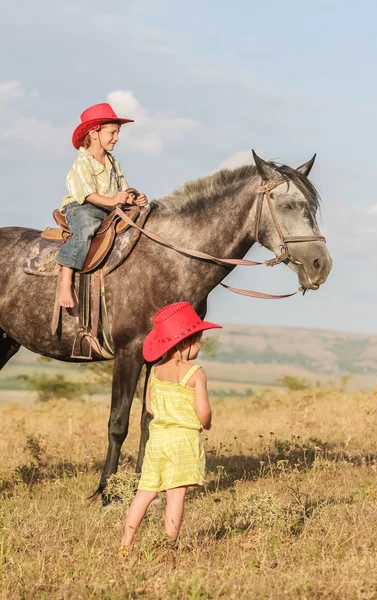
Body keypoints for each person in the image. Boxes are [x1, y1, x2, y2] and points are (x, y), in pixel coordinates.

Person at [121, 302, 222, 551]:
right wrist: (205, 424)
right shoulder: (195, 373)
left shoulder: (154, 372)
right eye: (199, 340)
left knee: (144, 493)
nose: (200, 345)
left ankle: (126, 543)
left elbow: (150, 408)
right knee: (175, 496)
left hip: (156, 442)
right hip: (183, 442)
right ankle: (168, 546)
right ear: (185, 342)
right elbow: (204, 411)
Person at [55, 103, 148, 308]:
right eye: (112, 132)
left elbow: (121, 190)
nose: (116, 137)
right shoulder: (83, 163)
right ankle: (65, 280)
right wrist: (115, 200)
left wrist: (133, 199)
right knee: (85, 231)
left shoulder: (114, 163)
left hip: (110, 209)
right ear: (94, 132)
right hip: (82, 208)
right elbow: (88, 194)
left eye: (117, 132)